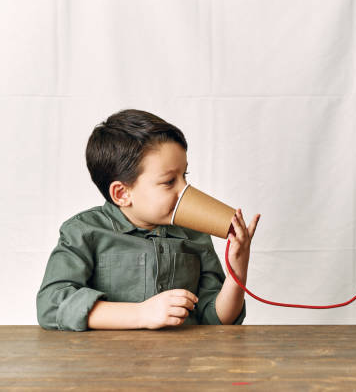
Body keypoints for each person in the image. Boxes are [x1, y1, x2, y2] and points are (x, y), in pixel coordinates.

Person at [37, 109, 260, 330]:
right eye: (169, 181)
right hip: (108, 362)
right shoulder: (83, 231)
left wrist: (237, 269)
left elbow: (217, 319)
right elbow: (50, 305)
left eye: (185, 176)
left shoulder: (194, 233)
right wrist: (141, 313)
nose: (185, 190)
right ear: (122, 194)